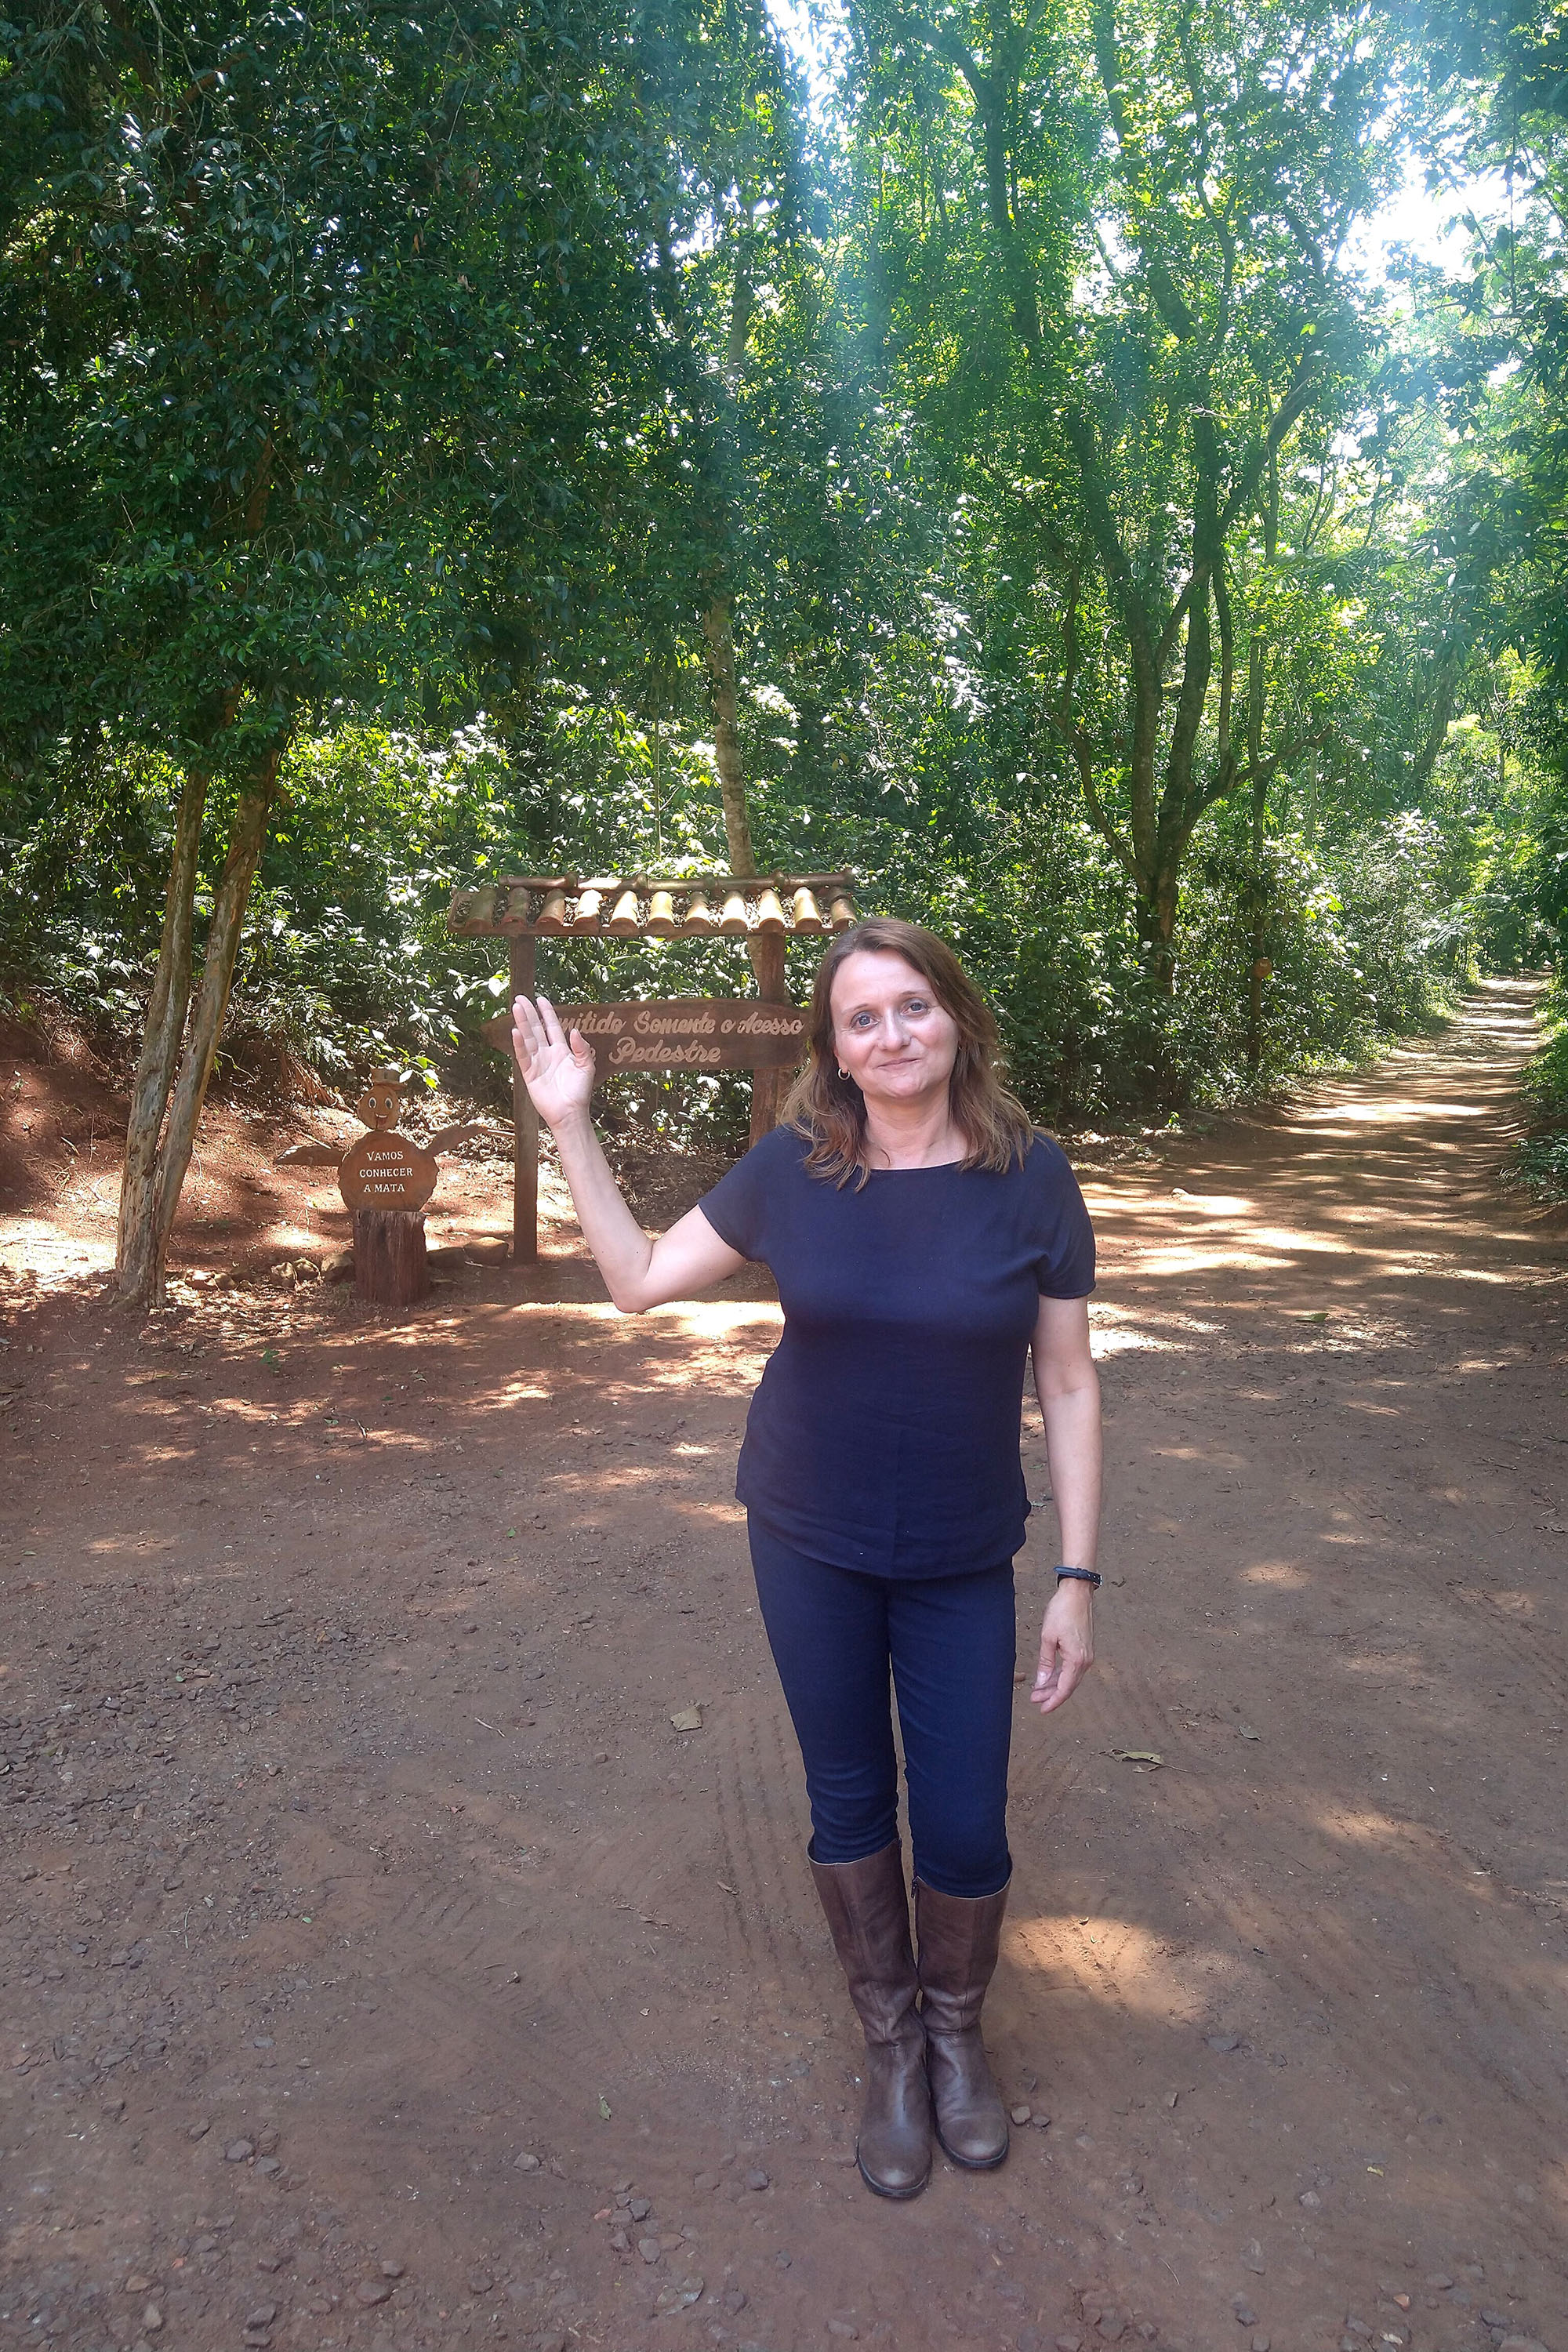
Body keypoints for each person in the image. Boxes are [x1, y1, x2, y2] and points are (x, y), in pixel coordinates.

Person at [510, 916, 1102, 2201]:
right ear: (834, 1048)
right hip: (808, 1535)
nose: (891, 1034)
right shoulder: (796, 1168)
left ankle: (956, 2037)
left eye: (912, 1007)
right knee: (848, 1800)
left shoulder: (1033, 1177)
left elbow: (1066, 1379)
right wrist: (570, 1121)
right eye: (861, 1017)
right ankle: (892, 2046)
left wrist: (1077, 1577)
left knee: (963, 1817)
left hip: (959, 1554)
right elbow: (638, 1280)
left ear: (955, 1016)